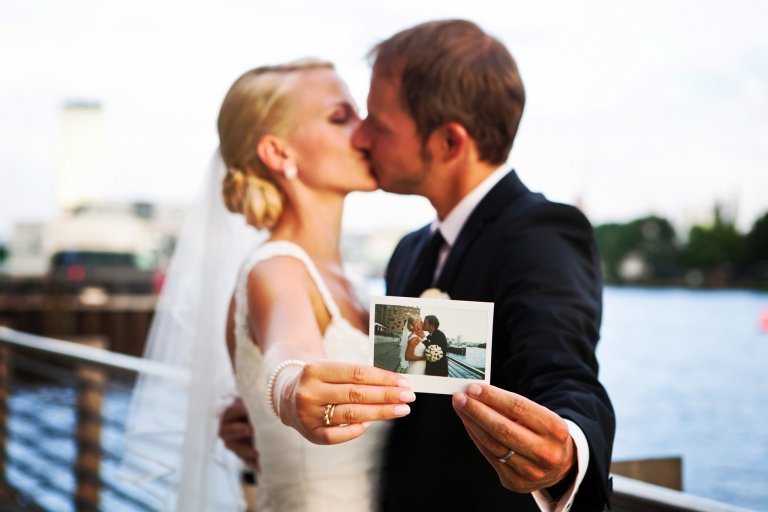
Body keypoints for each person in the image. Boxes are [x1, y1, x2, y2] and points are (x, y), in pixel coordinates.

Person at [222, 19, 615, 512]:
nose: (362, 136)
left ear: (449, 143)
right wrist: (274, 399)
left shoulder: (542, 233)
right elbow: (294, 352)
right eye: (346, 117)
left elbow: (563, 371)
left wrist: (567, 451)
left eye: (375, 123)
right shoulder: (408, 253)